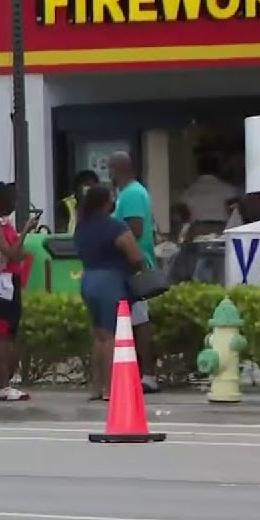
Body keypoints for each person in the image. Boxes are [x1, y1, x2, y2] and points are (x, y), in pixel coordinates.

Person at [74, 184, 148, 401]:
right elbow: (136, 256)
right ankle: (110, 388)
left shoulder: (82, 226)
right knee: (111, 336)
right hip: (110, 282)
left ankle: (97, 387)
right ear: (107, 202)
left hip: (88, 280)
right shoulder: (115, 226)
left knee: (99, 336)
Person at [0, 181, 38, 402]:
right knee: (0, 333)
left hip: (10, 279)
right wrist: (25, 231)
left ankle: (7, 380)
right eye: (11, 199)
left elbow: (16, 253)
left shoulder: (5, 224)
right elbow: (10, 253)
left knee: (10, 331)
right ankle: (2, 385)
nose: (14, 203)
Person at [108, 151, 160, 394]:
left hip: (134, 265)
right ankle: (140, 373)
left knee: (140, 322)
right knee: (135, 321)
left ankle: (148, 375)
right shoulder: (130, 193)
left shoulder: (131, 194)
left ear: (116, 170)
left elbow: (135, 229)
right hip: (128, 265)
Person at [179, 153, 238, 225]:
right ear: (218, 169)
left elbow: (184, 218)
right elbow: (234, 215)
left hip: (197, 228)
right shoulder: (229, 189)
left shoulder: (188, 192)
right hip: (221, 227)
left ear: (198, 169)